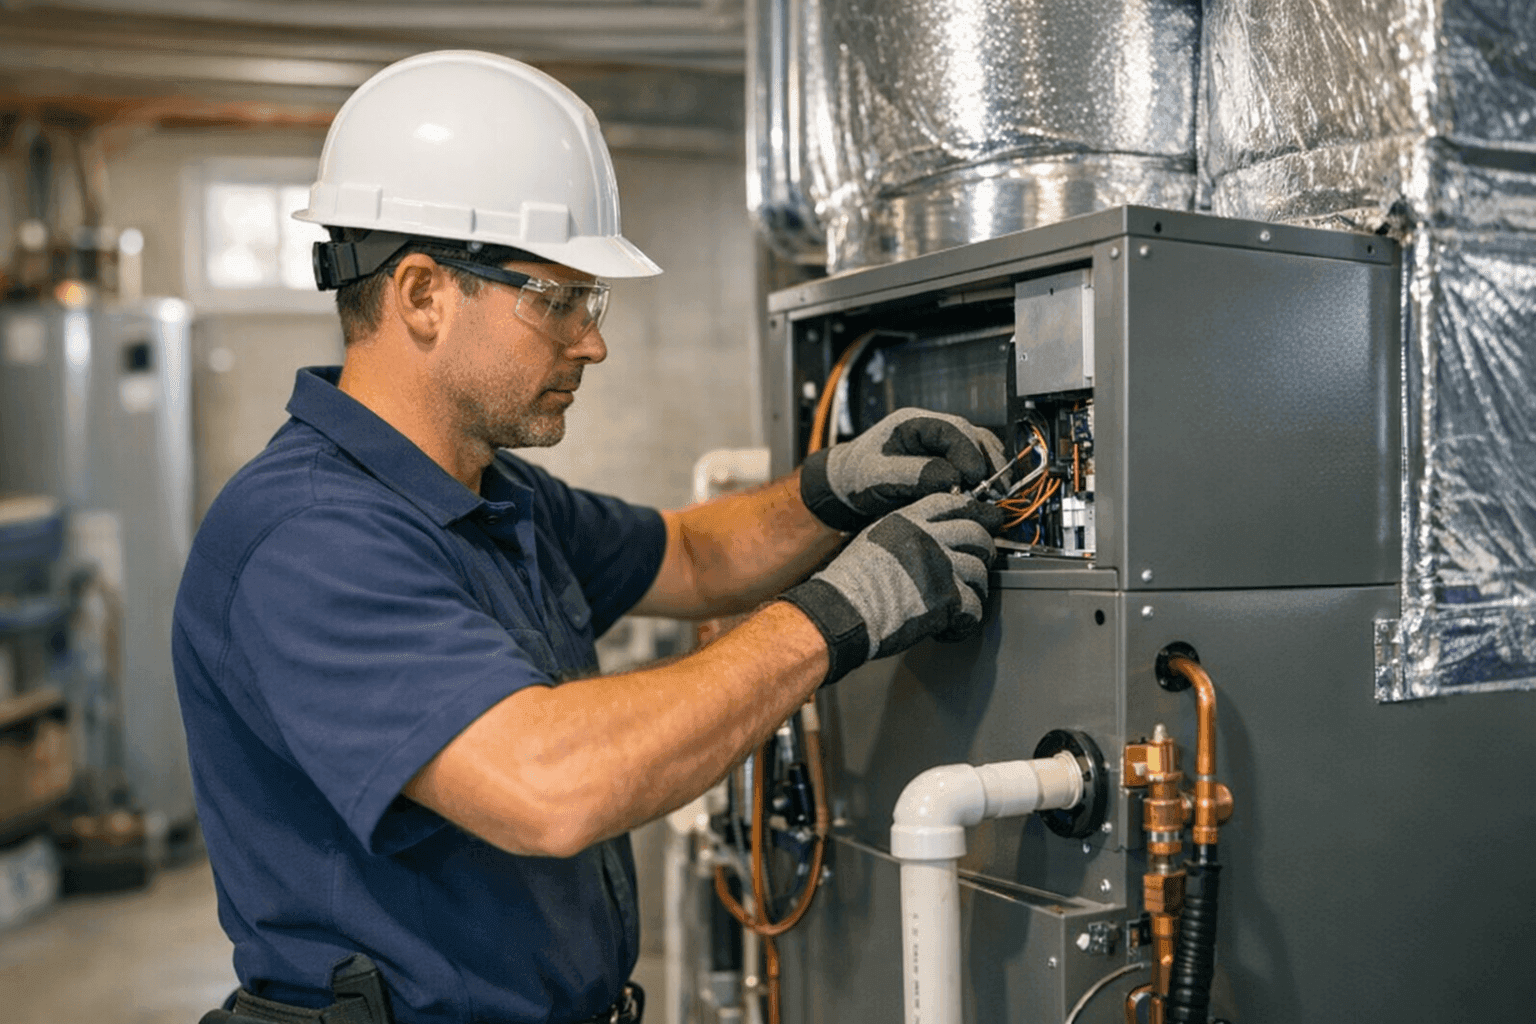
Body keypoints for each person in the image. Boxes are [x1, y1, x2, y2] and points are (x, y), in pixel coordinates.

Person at [172, 50, 1007, 1024]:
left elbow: (691, 557)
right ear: (421, 294)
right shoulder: (309, 538)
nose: (591, 340)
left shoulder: (490, 493)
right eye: (555, 300)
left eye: (590, 302)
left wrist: (833, 488)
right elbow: (548, 784)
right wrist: (835, 616)